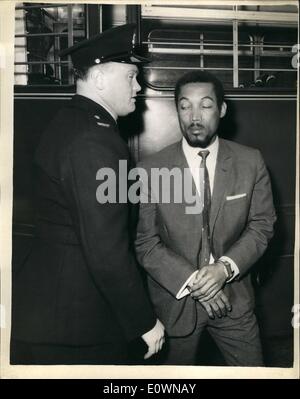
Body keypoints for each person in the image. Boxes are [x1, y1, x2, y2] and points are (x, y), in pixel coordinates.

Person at [11, 24, 164, 365]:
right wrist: (144, 321)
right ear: (99, 79)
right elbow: (106, 249)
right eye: (130, 76)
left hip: (57, 309)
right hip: (76, 321)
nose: (138, 87)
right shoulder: (93, 141)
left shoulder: (74, 123)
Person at [134, 70, 276, 366]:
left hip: (233, 302)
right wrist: (196, 282)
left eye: (206, 105)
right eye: (185, 106)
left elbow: (262, 226)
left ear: (222, 110)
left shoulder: (251, 162)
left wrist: (223, 270)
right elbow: (146, 243)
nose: (194, 116)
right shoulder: (150, 170)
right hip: (175, 307)